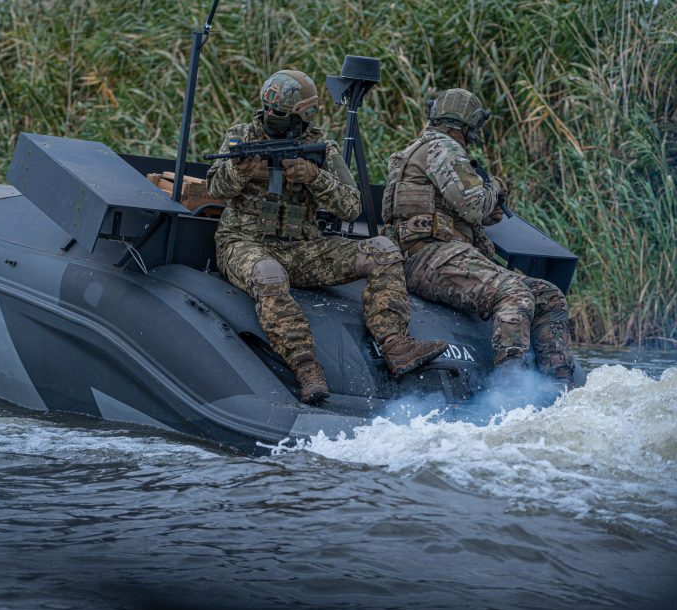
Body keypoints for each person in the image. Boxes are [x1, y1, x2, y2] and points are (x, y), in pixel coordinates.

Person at [207, 69, 448, 404]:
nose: (274, 119)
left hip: (303, 249)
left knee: (384, 250)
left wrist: (314, 177)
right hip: (245, 243)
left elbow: (351, 207)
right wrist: (240, 169)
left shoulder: (320, 147)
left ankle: (395, 343)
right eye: (272, 112)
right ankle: (306, 367)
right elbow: (214, 186)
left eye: (285, 115)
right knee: (269, 276)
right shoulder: (242, 137)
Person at [381, 88, 576, 385]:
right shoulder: (444, 149)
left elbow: (458, 209)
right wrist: (494, 187)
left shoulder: (419, 152)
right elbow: (473, 204)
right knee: (514, 291)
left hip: (439, 256)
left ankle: (560, 384)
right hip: (428, 257)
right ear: (467, 125)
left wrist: (489, 208)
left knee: (549, 296)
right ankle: (512, 384)